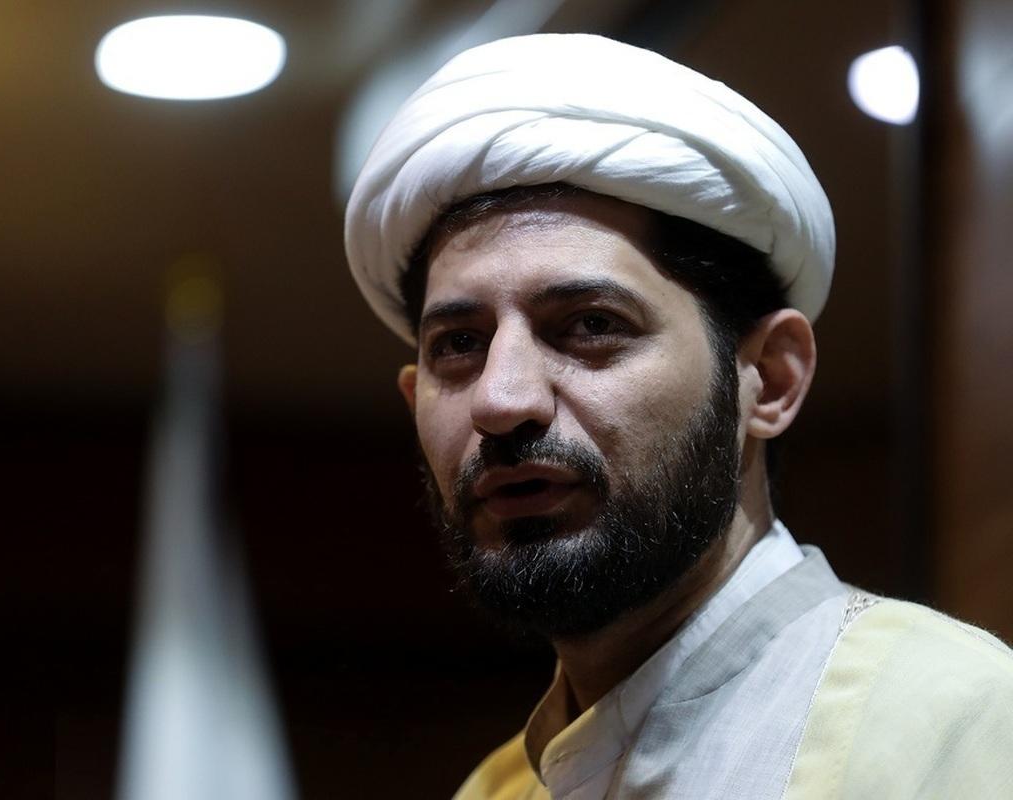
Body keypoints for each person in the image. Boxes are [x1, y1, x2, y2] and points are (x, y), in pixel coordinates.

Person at [343, 34, 1013, 799]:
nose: (501, 401)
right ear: (413, 400)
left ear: (770, 379)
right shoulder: (497, 788)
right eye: (460, 344)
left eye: (591, 325)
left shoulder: (953, 728)